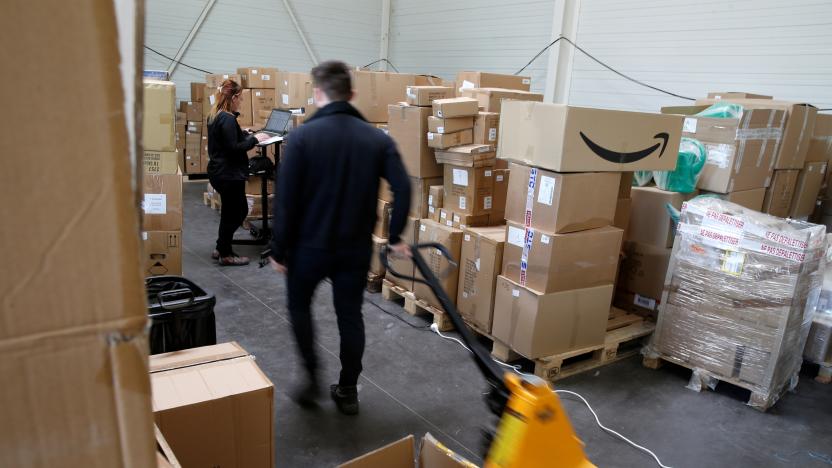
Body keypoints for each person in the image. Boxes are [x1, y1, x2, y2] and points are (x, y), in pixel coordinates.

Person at [268, 60, 412, 415]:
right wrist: (394, 236)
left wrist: (279, 250)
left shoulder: (301, 137)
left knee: (299, 308)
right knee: (350, 315)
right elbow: (404, 186)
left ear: (318, 94)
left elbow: (285, 200)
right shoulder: (377, 139)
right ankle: (348, 388)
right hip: (354, 249)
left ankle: (312, 376)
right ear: (353, 94)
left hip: (307, 249)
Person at [206, 79, 270, 266]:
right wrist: (255, 139)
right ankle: (226, 253)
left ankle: (220, 247)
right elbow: (234, 148)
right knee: (238, 211)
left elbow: (227, 139)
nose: (241, 101)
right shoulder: (226, 119)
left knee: (229, 212)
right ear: (233, 97)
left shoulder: (217, 114)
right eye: (240, 98)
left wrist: (243, 132)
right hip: (228, 174)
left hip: (219, 172)